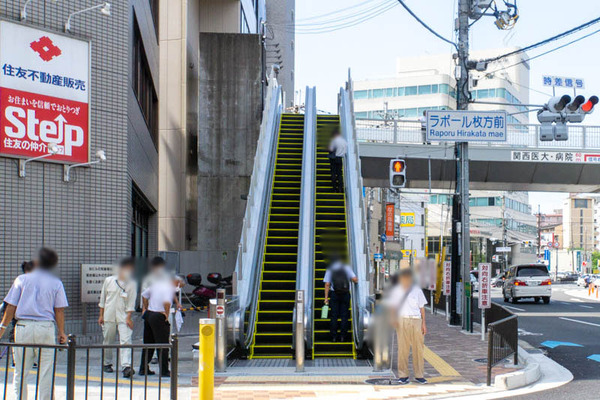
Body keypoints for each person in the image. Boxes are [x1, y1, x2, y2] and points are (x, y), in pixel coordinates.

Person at [0, 248, 68, 400]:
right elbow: (59, 310)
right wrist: (61, 332)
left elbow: (11, 306)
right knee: (46, 371)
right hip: (45, 327)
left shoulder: (21, 280)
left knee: (20, 370)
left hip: (23, 327)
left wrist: (2, 328)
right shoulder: (56, 283)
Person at [98, 257, 138, 378]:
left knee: (126, 340)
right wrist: (101, 315)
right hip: (108, 315)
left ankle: (126, 366)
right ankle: (107, 363)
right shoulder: (109, 280)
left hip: (124, 316)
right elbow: (103, 299)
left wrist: (129, 317)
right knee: (108, 340)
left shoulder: (132, 283)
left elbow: (131, 302)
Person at [388, 268, 428, 385]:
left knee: (418, 348)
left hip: (416, 320)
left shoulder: (417, 290)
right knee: (403, 349)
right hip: (402, 319)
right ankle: (403, 375)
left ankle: (419, 375)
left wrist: (423, 324)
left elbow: (422, 308)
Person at [139, 274, 178, 377]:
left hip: (149, 314)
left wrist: (146, 308)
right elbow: (167, 303)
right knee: (163, 344)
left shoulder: (155, 285)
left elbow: (144, 295)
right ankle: (164, 370)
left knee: (148, 343)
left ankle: (143, 368)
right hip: (159, 316)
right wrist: (166, 314)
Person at [323, 257, 358, 342]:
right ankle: (343, 336)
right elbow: (355, 280)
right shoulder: (346, 267)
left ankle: (334, 337)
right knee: (344, 316)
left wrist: (326, 298)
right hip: (345, 294)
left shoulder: (330, 269)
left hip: (334, 294)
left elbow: (327, 284)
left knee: (334, 316)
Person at [328, 127, 347, 193]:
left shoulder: (334, 141)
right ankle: (340, 188)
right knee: (339, 174)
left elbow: (330, 149)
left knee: (333, 173)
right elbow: (345, 150)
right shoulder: (344, 141)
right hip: (340, 158)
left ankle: (334, 189)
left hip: (333, 158)